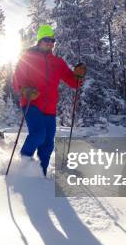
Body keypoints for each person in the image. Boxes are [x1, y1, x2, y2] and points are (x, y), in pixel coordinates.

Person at [12, 24, 86, 176]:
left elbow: (72, 82)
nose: (50, 43)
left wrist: (78, 76)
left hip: (50, 109)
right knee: (38, 134)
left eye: (53, 40)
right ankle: (23, 164)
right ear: (39, 40)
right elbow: (17, 79)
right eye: (47, 39)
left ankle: (42, 174)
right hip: (32, 103)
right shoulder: (28, 57)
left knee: (47, 143)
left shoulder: (58, 62)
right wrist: (25, 90)